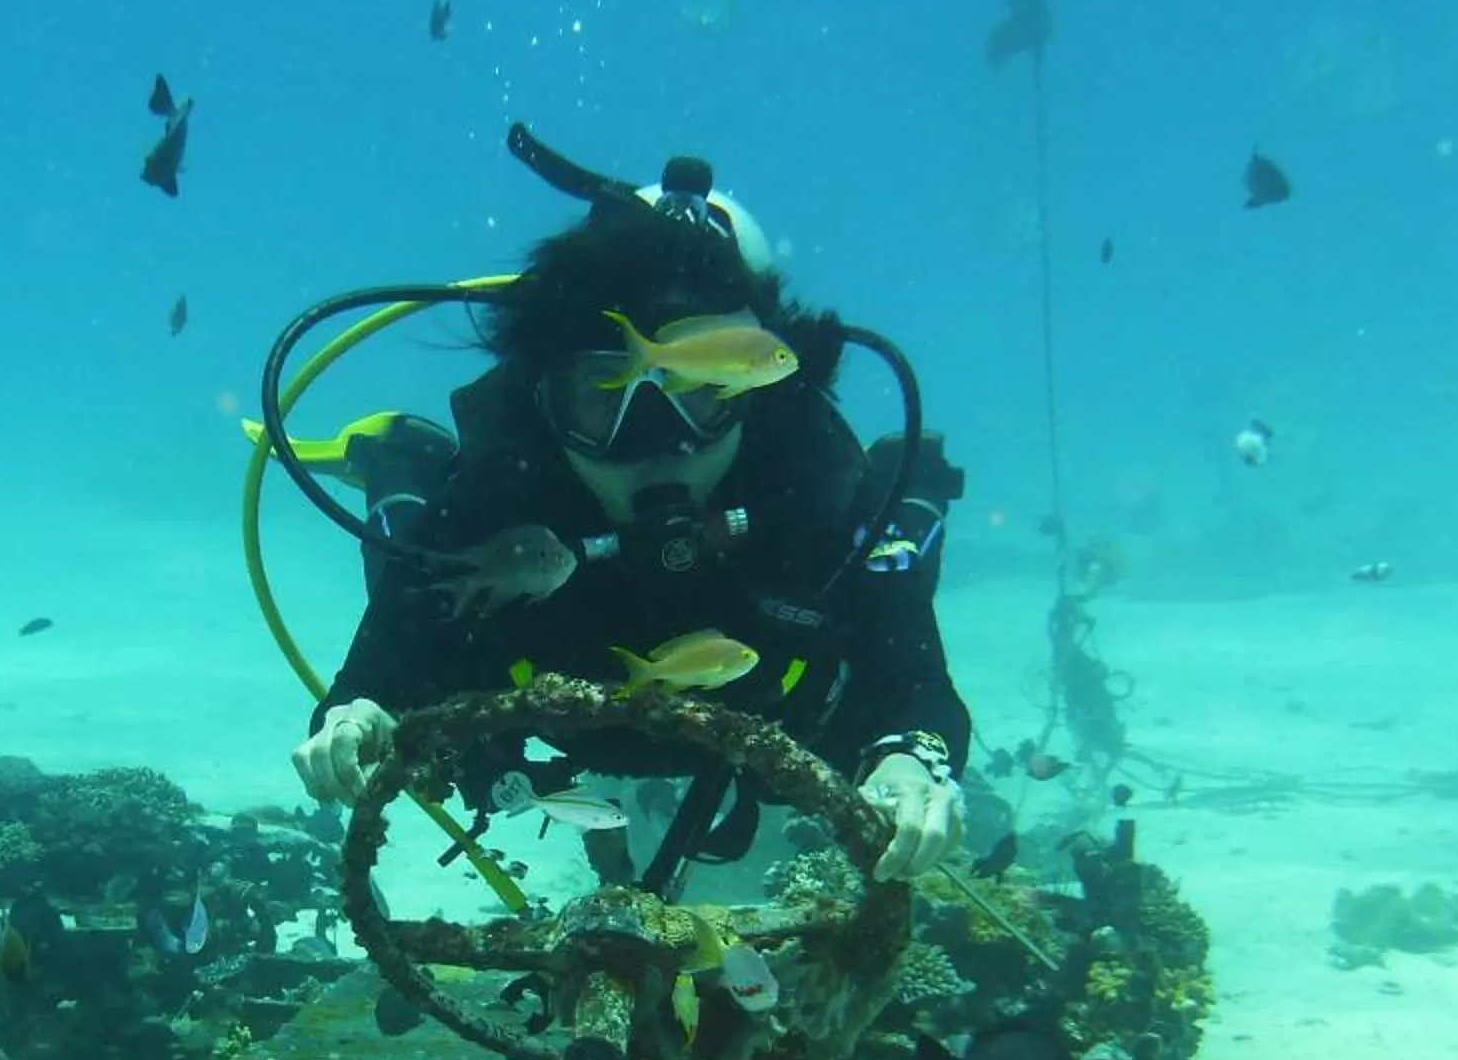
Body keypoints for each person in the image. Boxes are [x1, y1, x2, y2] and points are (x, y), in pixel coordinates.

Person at [287, 156, 974, 887]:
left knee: (890, 547)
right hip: (548, 718)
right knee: (414, 560)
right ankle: (401, 464)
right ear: (545, 402)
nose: (655, 439)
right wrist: (355, 720)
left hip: (771, 715)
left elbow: (914, 683)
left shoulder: (812, 487)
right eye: (602, 392)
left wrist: (910, 759)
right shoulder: (504, 492)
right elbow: (382, 668)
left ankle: (915, 485)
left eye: (700, 390)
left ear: (755, 391)